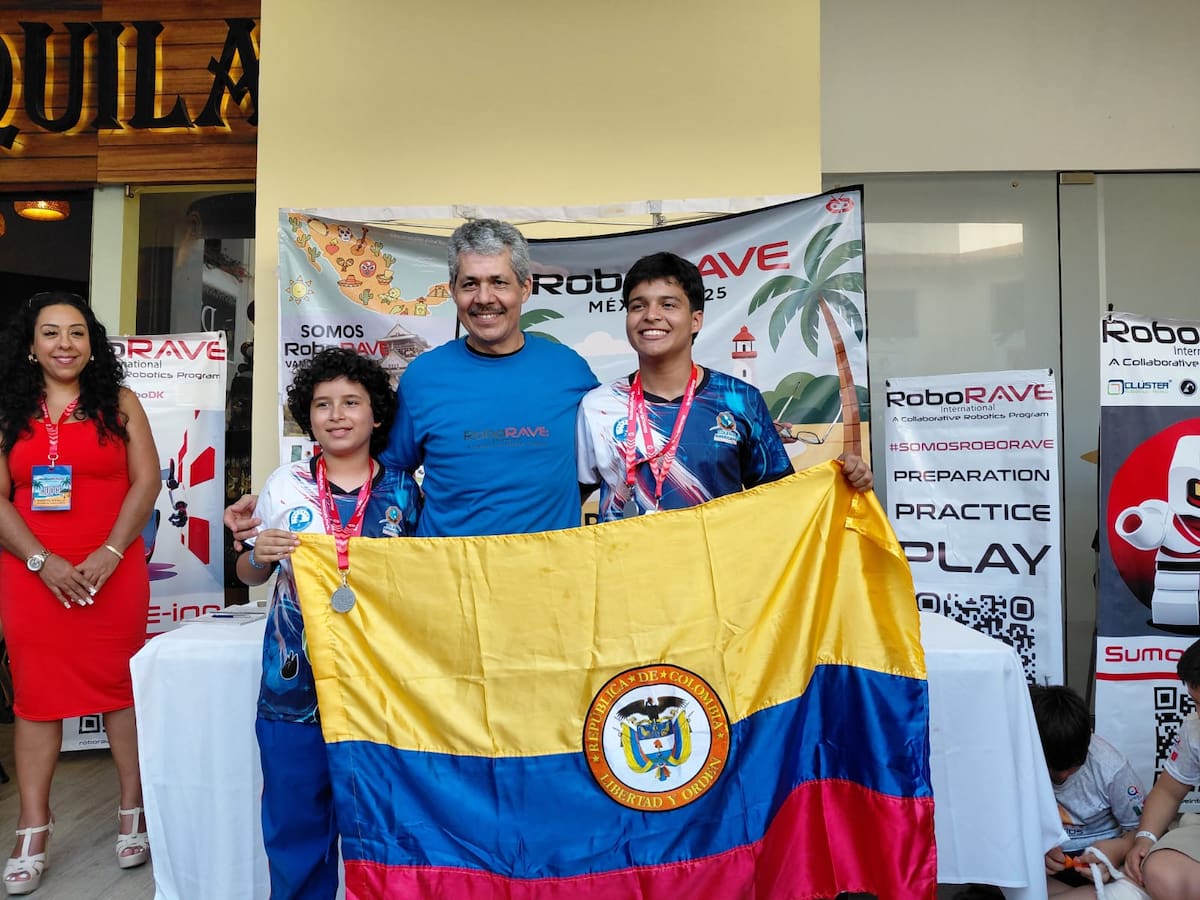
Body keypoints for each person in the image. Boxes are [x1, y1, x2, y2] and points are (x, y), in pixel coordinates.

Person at [227, 218, 599, 542]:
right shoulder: (425, 376)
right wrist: (279, 500)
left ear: (525, 288)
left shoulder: (570, 371)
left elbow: (601, 466)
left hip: (548, 576)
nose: (484, 298)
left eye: (498, 282)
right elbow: (376, 473)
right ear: (453, 290)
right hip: (447, 579)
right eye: (470, 284)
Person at [236, 347, 420, 899]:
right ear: (307, 416)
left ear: (377, 415)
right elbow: (248, 573)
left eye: (351, 402)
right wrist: (258, 554)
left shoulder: (405, 490)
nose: (337, 415)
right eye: (322, 404)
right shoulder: (284, 483)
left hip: (380, 687)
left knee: (381, 827)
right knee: (296, 826)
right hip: (292, 688)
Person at [0, 292, 159, 895]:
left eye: (77, 332)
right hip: (30, 573)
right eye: (50, 333)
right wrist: (42, 561)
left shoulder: (119, 404)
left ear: (93, 345)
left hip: (111, 571)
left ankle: (132, 811)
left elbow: (147, 482)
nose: (64, 343)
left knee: (120, 690)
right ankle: (32, 829)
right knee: (37, 699)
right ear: (31, 345)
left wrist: (111, 553)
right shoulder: (8, 410)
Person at [575, 251, 872, 520]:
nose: (651, 315)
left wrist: (839, 479)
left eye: (668, 304)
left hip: (716, 575)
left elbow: (781, 499)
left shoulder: (741, 400)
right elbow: (565, 497)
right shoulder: (598, 406)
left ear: (695, 320)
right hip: (624, 573)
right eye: (638, 306)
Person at [1029, 684, 1145, 897]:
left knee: (1139, 875)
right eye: (1053, 769)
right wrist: (1035, 850)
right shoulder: (1019, 763)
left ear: (1089, 738)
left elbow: (1142, 832)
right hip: (1042, 864)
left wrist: (1116, 851)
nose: (1063, 777)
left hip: (1100, 857)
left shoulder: (1111, 768)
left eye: (1073, 767)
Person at [1124, 639, 1200, 899]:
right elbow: (1169, 791)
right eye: (1197, 704)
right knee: (1159, 872)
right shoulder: (1194, 728)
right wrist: (1145, 838)